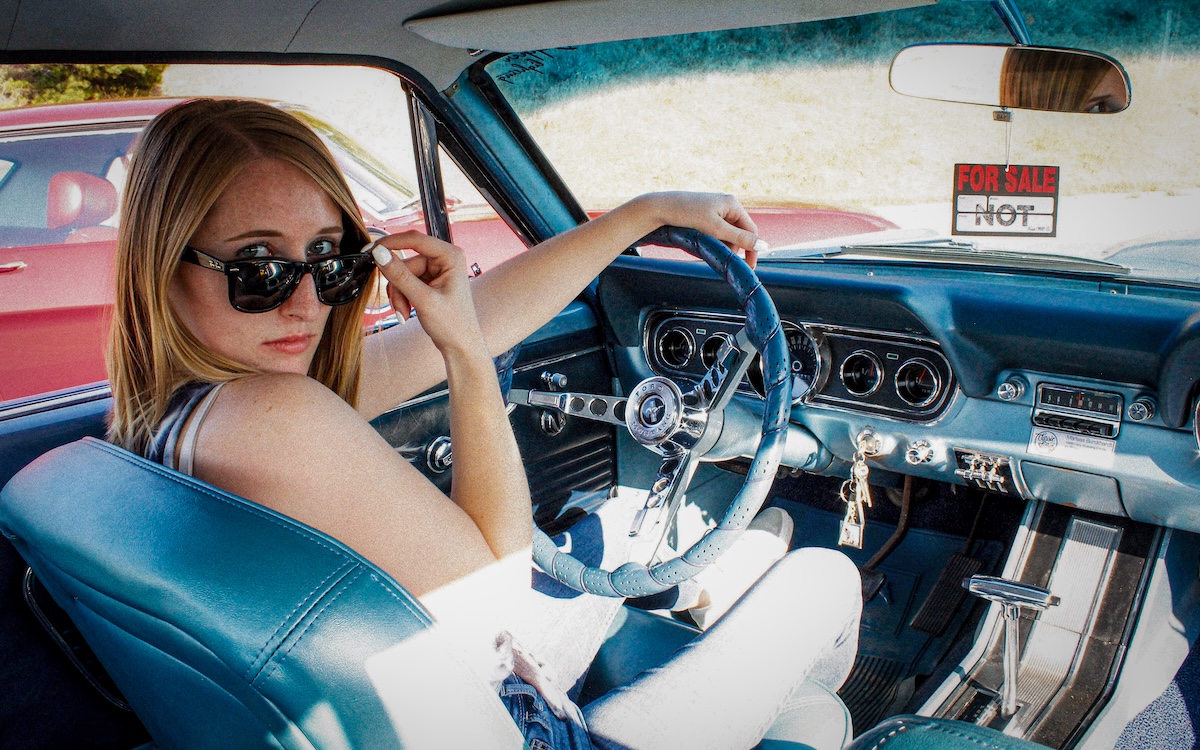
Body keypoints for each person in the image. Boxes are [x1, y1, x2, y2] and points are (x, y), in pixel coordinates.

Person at [106, 98, 861, 750]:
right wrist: (463, 352)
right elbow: (494, 592)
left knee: (626, 525)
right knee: (826, 588)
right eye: (259, 268)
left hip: (431, 696)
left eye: (331, 261)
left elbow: (488, 315)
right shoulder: (275, 414)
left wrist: (644, 215)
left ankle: (727, 592)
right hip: (509, 720)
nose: (306, 304)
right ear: (163, 265)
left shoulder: (175, 420)